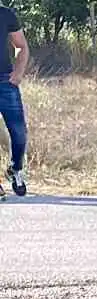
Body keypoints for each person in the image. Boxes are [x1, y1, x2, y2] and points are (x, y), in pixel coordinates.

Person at [0, 2, 26, 198]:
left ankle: (15, 169)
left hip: (5, 81)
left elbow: (21, 46)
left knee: (19, 133)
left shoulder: (6, 14)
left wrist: (17, 73)